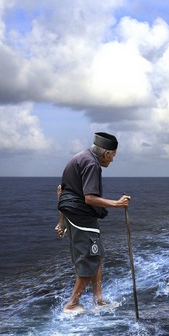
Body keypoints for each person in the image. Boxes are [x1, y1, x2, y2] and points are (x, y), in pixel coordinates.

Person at [55, 132, 131, 314]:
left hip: (76, 217)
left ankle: (98, 300)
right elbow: (89, 198)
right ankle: (72, 304)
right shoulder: (91, 164)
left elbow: (62, 193)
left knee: (96, 256)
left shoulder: (80, 157)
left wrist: (62, 222)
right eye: (113, 156)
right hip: (82, 219)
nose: (112, 160)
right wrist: (117, 204)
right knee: (90, 258)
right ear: (106, 153)